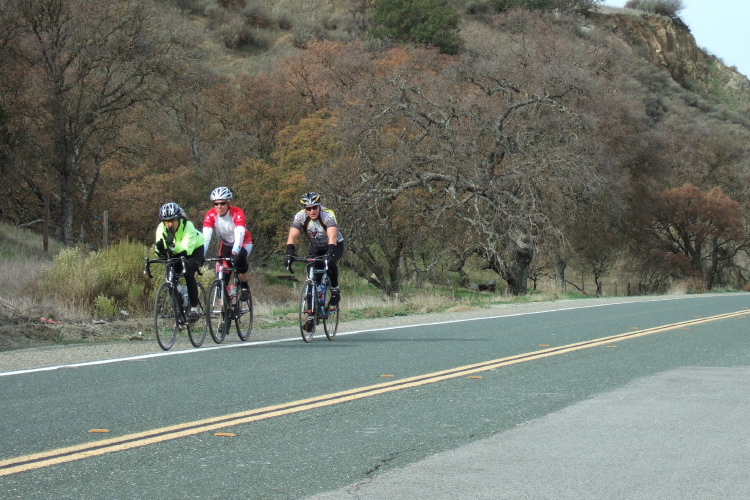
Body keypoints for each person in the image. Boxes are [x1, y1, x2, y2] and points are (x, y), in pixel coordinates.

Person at [285, 192, 344, 328]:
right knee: (313, 280)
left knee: (330, 263)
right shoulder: (300, 217)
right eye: (308, 208)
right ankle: (311, 317)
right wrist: (289, 253)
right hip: (316, 247)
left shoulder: (328, 215)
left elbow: (332, 236)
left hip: (334, 244)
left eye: (314, 207)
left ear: (319, 206)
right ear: (304, 209)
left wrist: (330, 253)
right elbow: (292, 237)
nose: (311, 211)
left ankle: (335, 289)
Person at [154, 202, 205, 322]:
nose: (170, 224)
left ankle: (194, 309)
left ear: (178, 218)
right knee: (170, 277)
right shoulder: (161, 228)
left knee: (187, 271)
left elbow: (186, 250)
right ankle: (179, 307)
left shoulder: (188, 226)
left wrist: (172, 245)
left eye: (172, 220)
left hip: (194, 250)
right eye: (166, 221)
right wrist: (160, 250)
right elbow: (158, 246)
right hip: (176, 251)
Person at [202, 186, 253, 301]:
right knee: (222, 275)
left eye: (222, 203)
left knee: (239, 260)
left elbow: (239, 234)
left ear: (228, 203)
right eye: (216, 204)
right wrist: (201, 254)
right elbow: (206, 238)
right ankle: (225, 308)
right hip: (225, 245)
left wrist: (235, 252)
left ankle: (245, 287)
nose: (219, 206)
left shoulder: (237, 212)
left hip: (243, 242)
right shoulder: (211, 215)